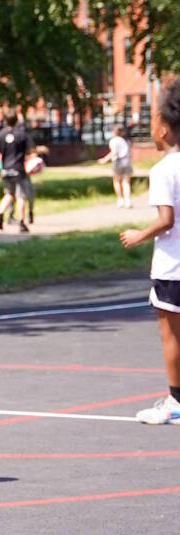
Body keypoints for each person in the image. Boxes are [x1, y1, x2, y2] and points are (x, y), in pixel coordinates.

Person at [120, 81, 180, 425]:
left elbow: (166, 220)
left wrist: (138, 235)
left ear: (163, 129)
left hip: (172, 267)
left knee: (170, 334)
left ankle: (175, 399)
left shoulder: (162, 171)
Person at [0, 112, 33, 233]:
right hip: (18, 170)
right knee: (21, 196)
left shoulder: (1, 134)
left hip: (5, 169)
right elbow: (30, 151)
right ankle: (21, 223)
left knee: (9, 194)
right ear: (16, 121)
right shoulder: (22, 134)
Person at [97, 125, 133, 209]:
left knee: (117, 181)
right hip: (126, 160)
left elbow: (114, 152)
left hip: (117, 161)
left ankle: (120, 199)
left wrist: (104, 159)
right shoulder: (126, 140)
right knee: (126, 182)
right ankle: (128, 200)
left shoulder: (114, 141)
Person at [17, 144, 48, 224]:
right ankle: (19, 218)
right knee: (19, 196)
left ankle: (30, 213)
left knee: (30, 195)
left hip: (24, 175)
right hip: (18, 174)